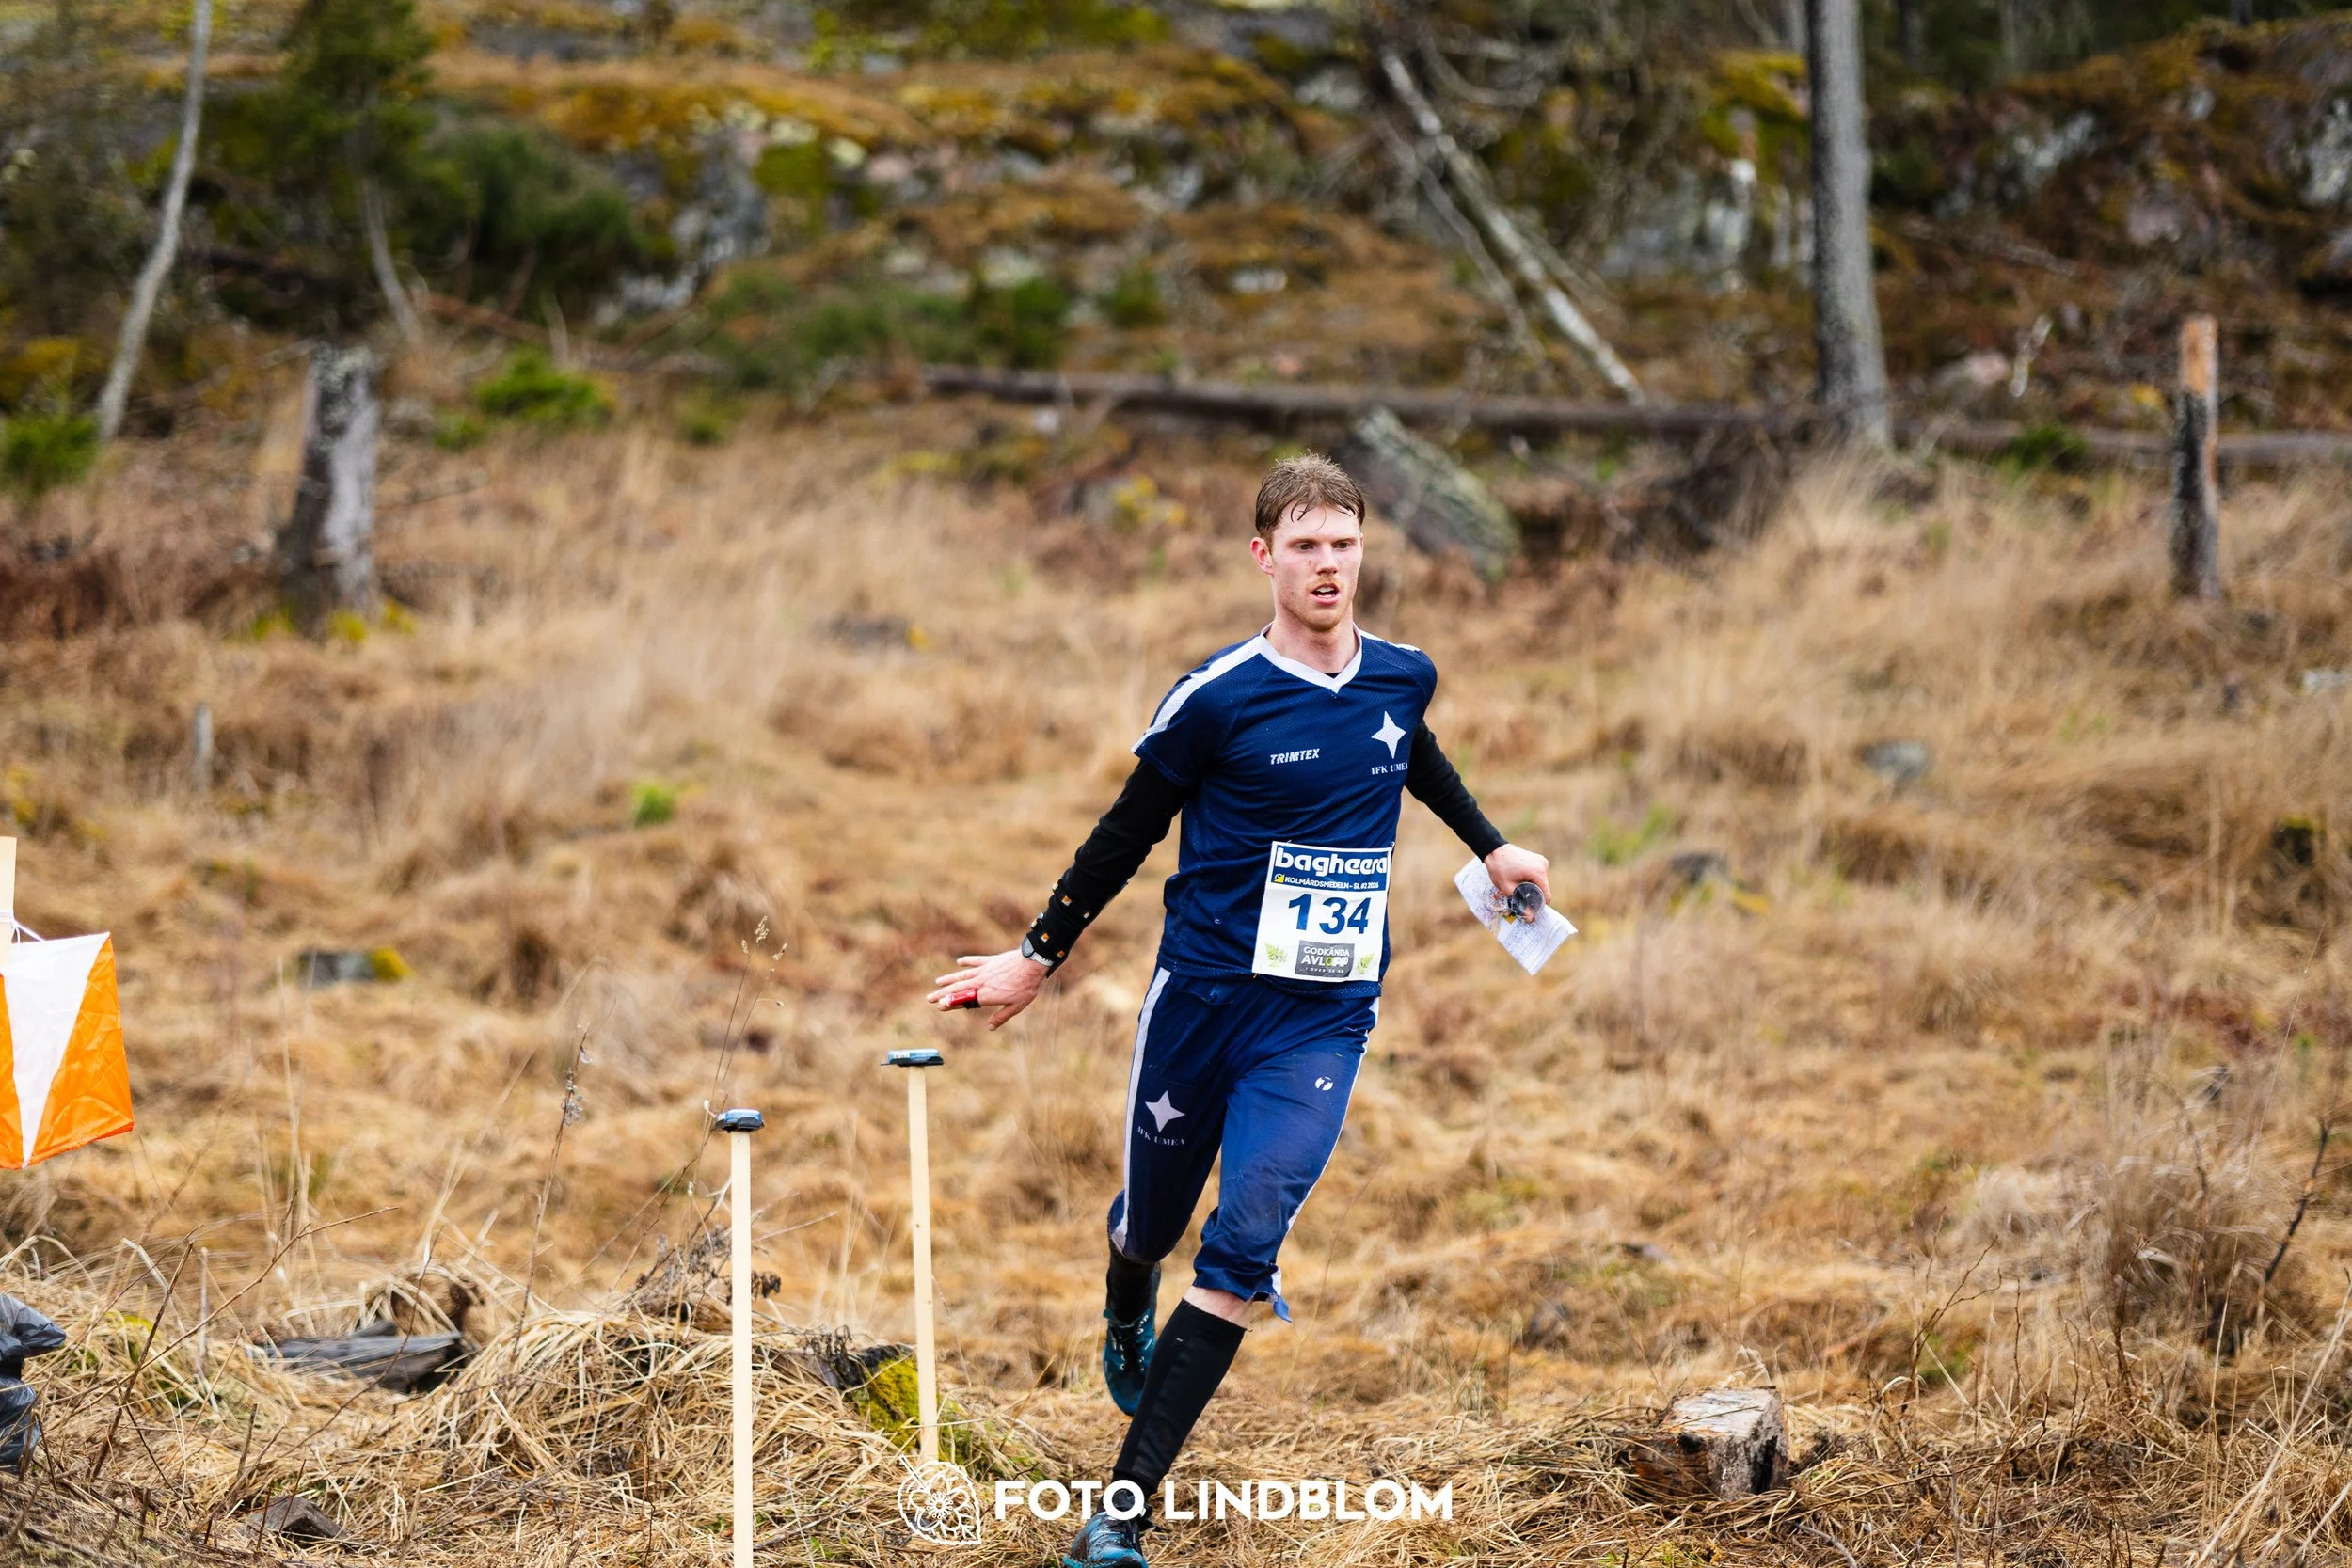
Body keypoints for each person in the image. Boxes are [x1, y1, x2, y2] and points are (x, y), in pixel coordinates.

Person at [926, 454, 1549, 1568]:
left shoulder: (1404, 675)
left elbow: (1415, 760)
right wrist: (1036, 955)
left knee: (1243, 1243)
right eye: (1304, 545)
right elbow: (1122, 836)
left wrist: (1491, 845)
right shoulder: (1213, 697)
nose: (1327, 564)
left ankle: (1117, 1513)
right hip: (1201, 1003)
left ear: (1365, 551)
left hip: (1320, 1019)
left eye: (1343, 543)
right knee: (1154, 1227)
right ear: (1263, 556)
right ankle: (1127, 1288)